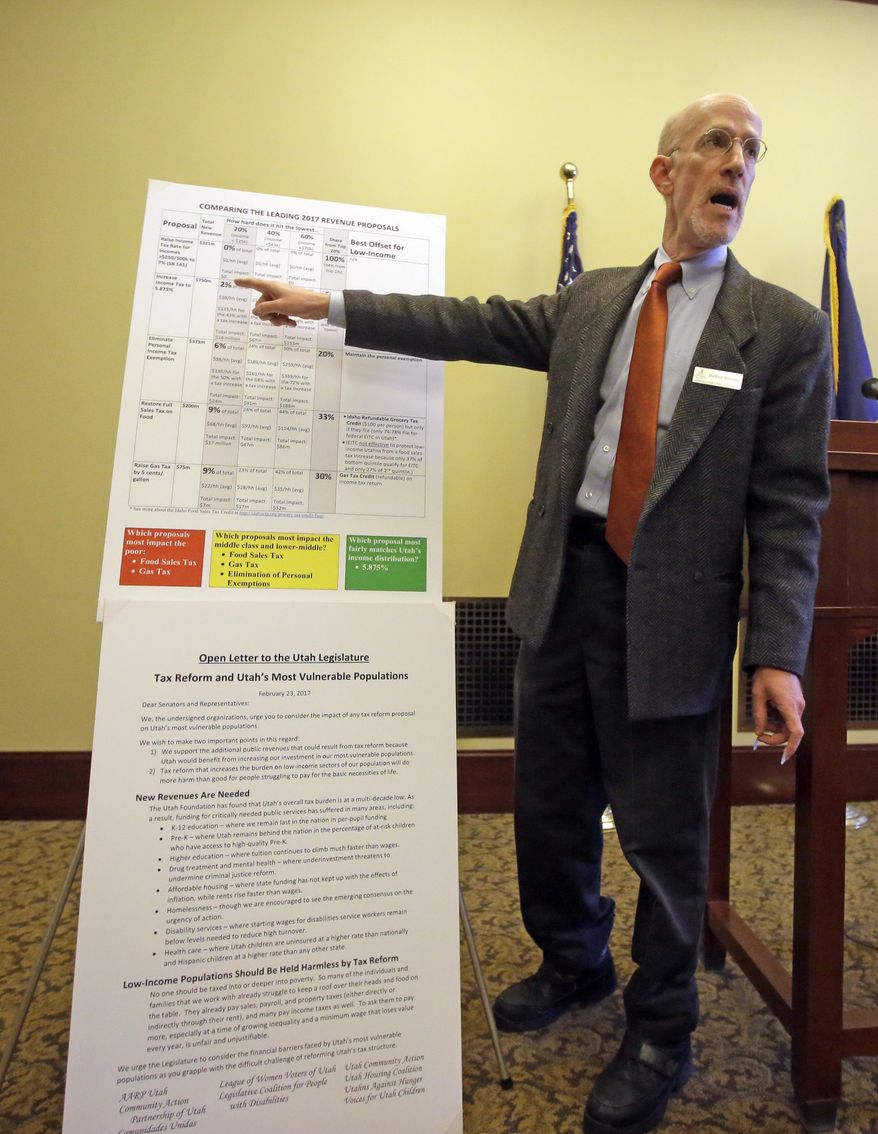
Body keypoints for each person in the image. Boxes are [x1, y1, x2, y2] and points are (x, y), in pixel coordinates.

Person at [236, 92, 832, 1134]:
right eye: (714, 144)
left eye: (749, 150)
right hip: (560, 584)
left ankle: (661, 1026)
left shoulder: (783, 327)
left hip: (676, 614)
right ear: (664, 173)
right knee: (548, 803)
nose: (734, 163)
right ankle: (574, 962)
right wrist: (329, 306)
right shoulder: (592, 301)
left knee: (660, 834)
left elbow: (789, 504)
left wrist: (774, 654)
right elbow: (464, 323)